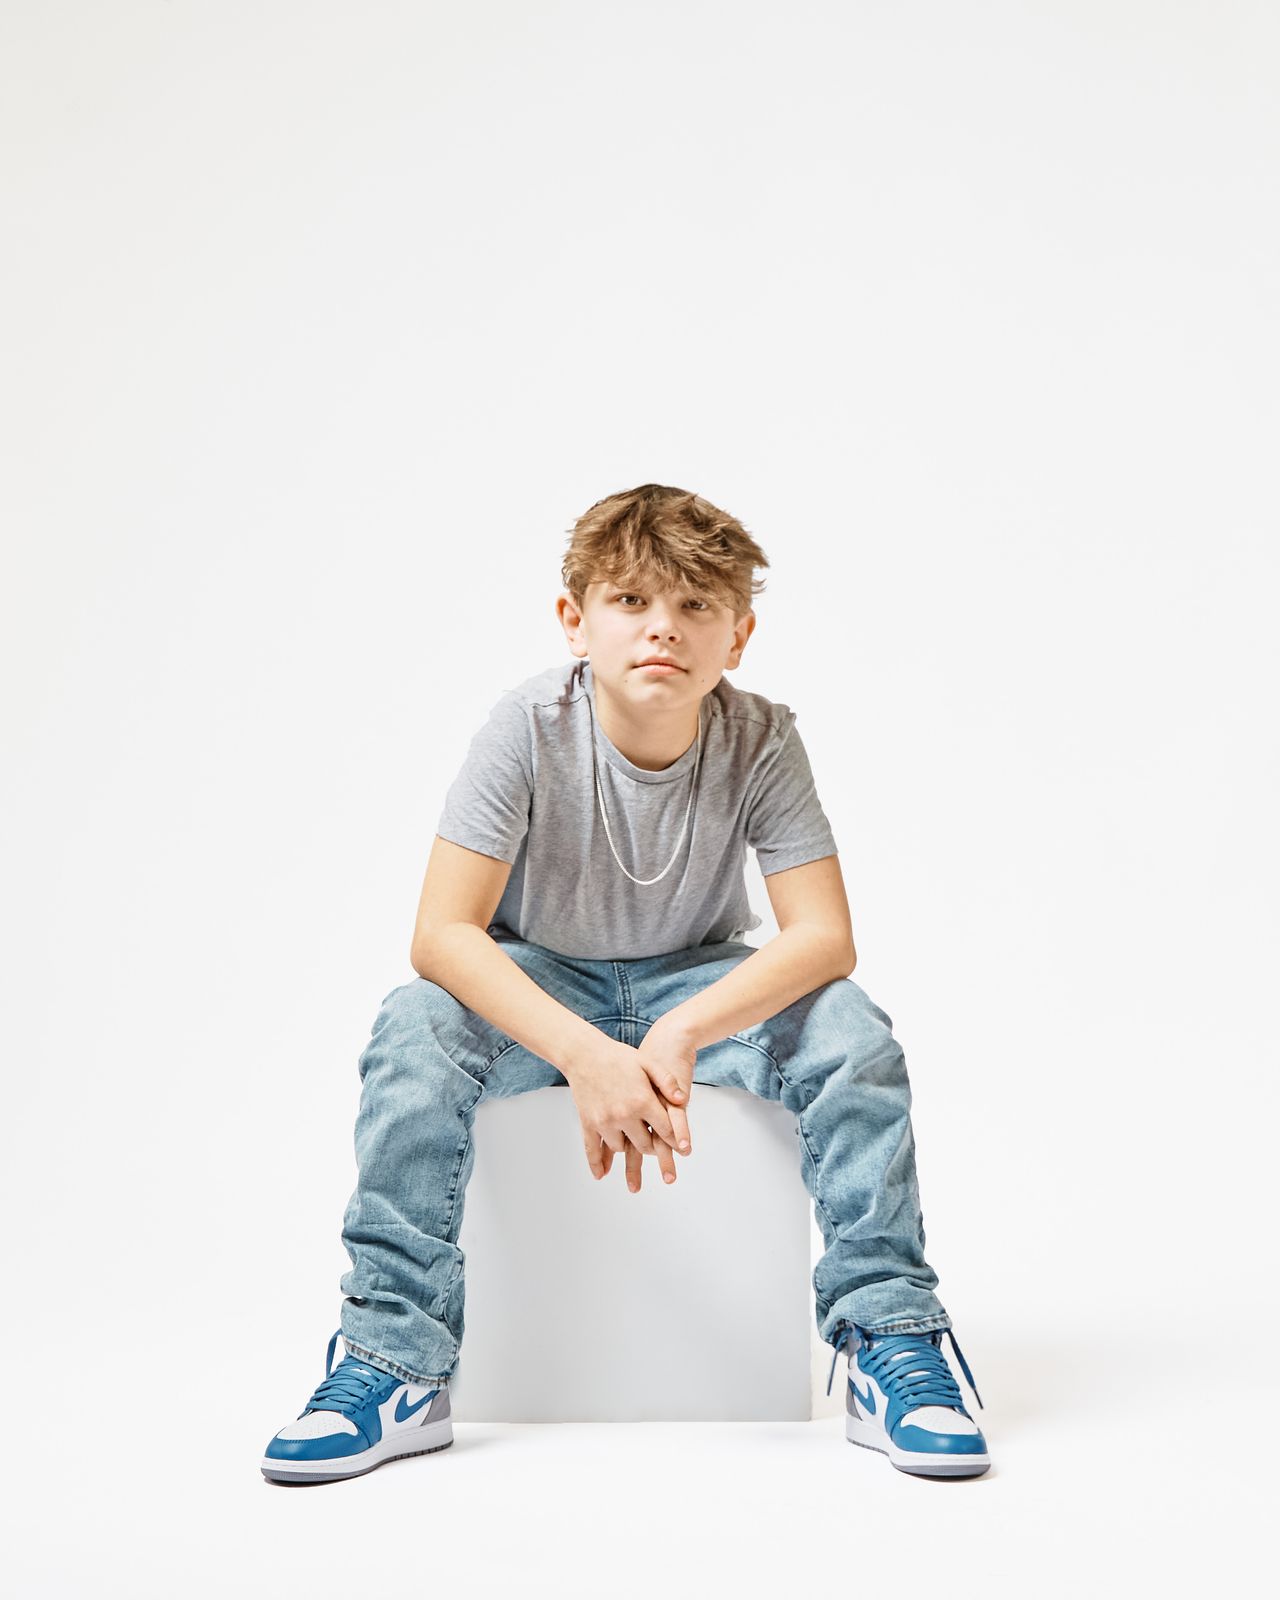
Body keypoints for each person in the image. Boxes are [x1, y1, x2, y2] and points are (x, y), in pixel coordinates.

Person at [261, 483, 990, 1485]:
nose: (663, 628)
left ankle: (891, 1337)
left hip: (696, 976)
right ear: (576, 620)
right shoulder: (526, 727)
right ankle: (392, 1364)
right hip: (542, 975)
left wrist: (680, 1029)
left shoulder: (761, 737)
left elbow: (823, 938)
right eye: (633, 600)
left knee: (849, 1032)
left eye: (696, 605)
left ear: (737, 635)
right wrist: (584, 1053)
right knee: (413, 1026)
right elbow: (442, 934)